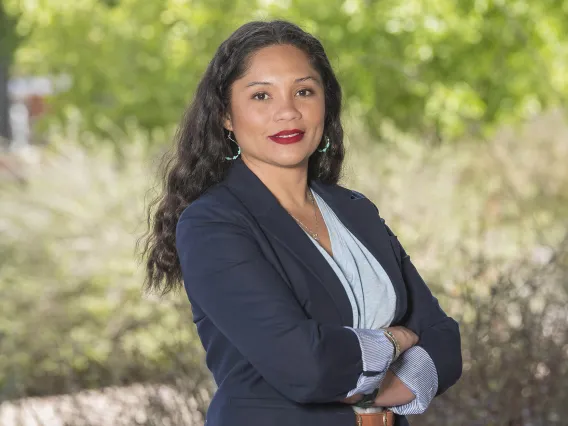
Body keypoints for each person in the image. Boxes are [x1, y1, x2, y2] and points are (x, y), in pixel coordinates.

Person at [140, 20, 462, 426]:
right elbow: (304, 367)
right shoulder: (212, 224)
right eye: (261, 95)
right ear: (225, 115)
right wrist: (395, 341)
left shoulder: (355, 210)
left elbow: (441, 335)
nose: (288, 111)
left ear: (325, 104)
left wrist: (400, 380)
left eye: (304, 91)